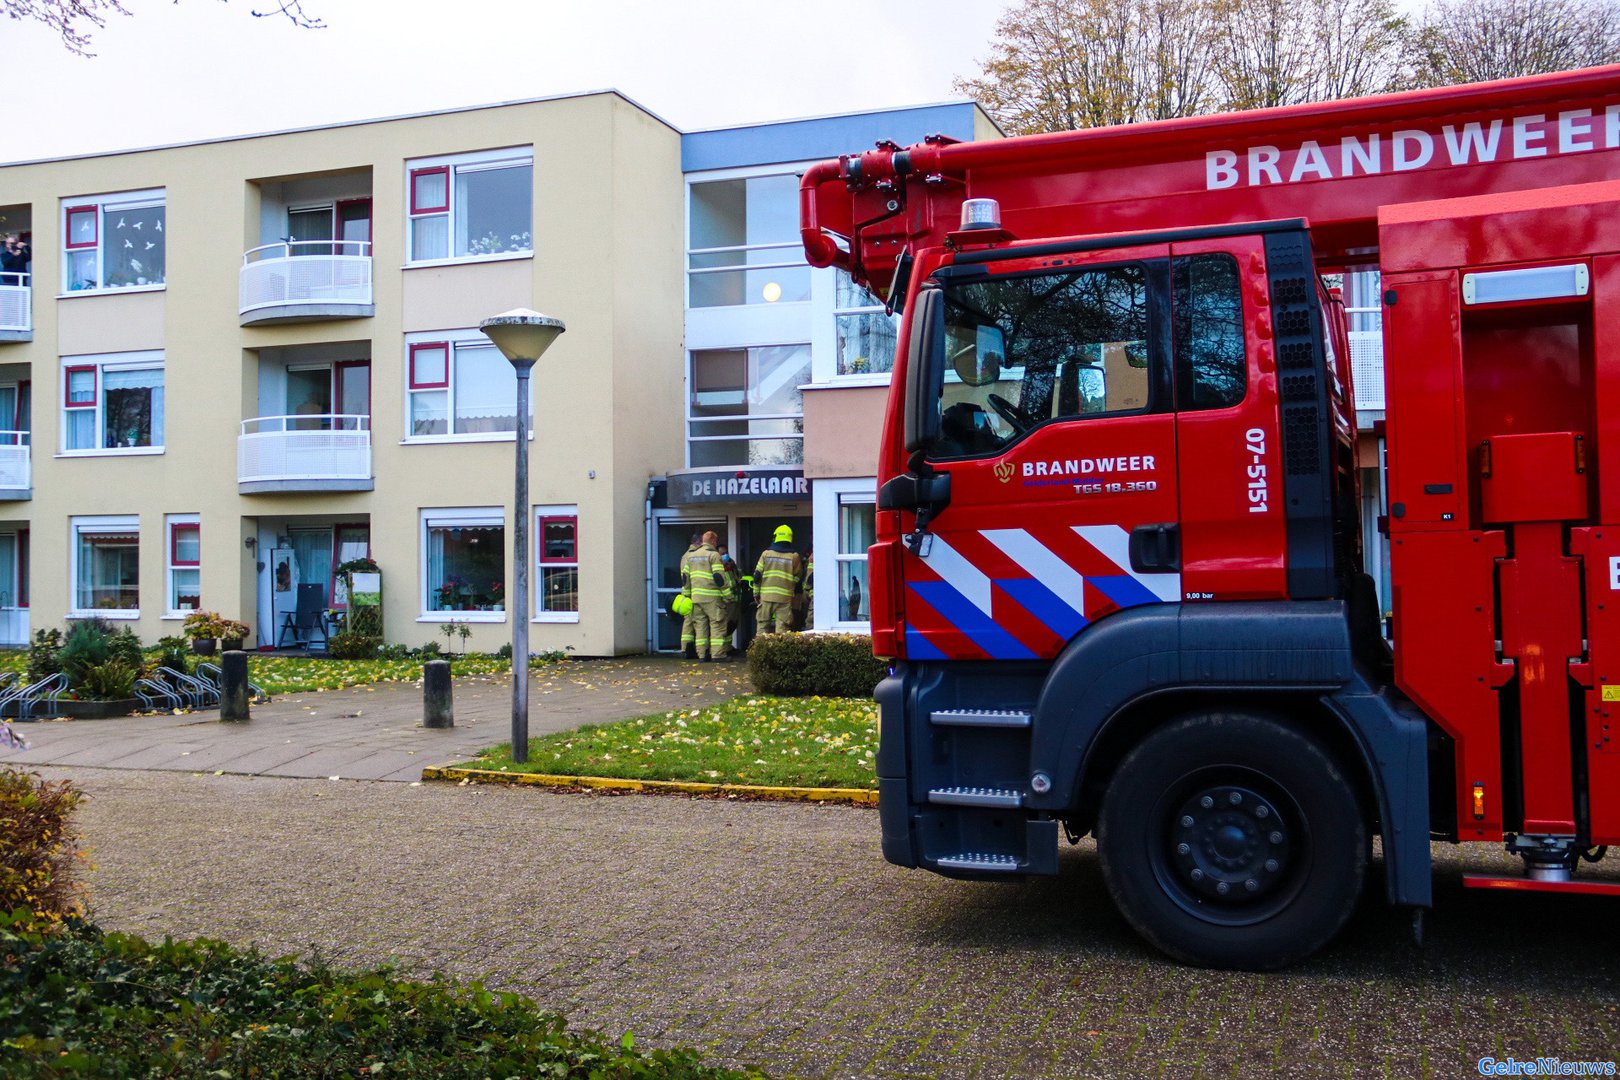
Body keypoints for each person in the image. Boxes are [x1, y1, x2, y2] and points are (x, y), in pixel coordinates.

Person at [680, 530, 730, 661]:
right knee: (717, 624)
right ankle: (718, 655)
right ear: (713, 541)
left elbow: (685, 578)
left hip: (696, 598)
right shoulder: (713, 555)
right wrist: (728, 594)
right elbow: (719, 577)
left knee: (700, 626)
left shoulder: (691, 556)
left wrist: (687, 595)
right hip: (712, 598)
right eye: (716, 541)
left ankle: (702, 655)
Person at [754, 524, 804, 634]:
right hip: (784, 598)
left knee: (762, 627)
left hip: (766, 597)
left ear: (775, 537)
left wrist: (756, 593)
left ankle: (761, 651)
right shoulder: (794, 556)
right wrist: (791, 586)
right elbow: (798, 576)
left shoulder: (766, 554)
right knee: (783, 630)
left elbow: (757, 575)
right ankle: (780, 651)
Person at [678, 531, 701, 659]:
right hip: (692, 593)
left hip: (690, 592)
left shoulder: (687, 555)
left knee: (689, 622)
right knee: (691, 622)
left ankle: (686, 649)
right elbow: (686, 577)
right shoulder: (691, 556)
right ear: (697, 542)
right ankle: (687, 649)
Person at [718, 546, 742, 654]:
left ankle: (728, 647)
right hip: (725, 600)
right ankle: (722, 649)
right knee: (725, 625)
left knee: (732, 624)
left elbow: (738, 577)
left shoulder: (731, 564)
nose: (725, 555)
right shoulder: (717, 566)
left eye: (726, 553)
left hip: (734, 599)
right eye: (722, 553)